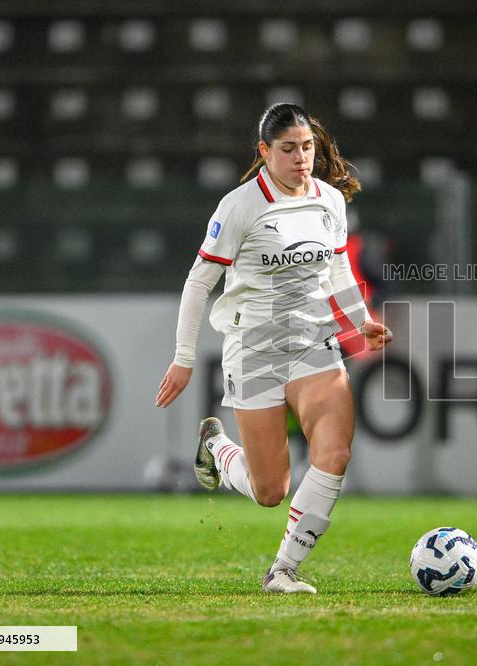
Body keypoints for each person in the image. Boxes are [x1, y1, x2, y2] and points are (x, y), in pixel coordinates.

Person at [155, 103, 392, 594]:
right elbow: (198, 283)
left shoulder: (330, 200)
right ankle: (216, 447)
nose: (301, 158)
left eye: (307, 147)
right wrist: (183, 359)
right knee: (270, 491)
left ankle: (283, 570)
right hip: (254, 350)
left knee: (334, 452)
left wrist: (360, 320)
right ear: (264, 151)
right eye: (288, 149)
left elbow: (337, 270)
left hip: (314, 344)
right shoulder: (239, 206)